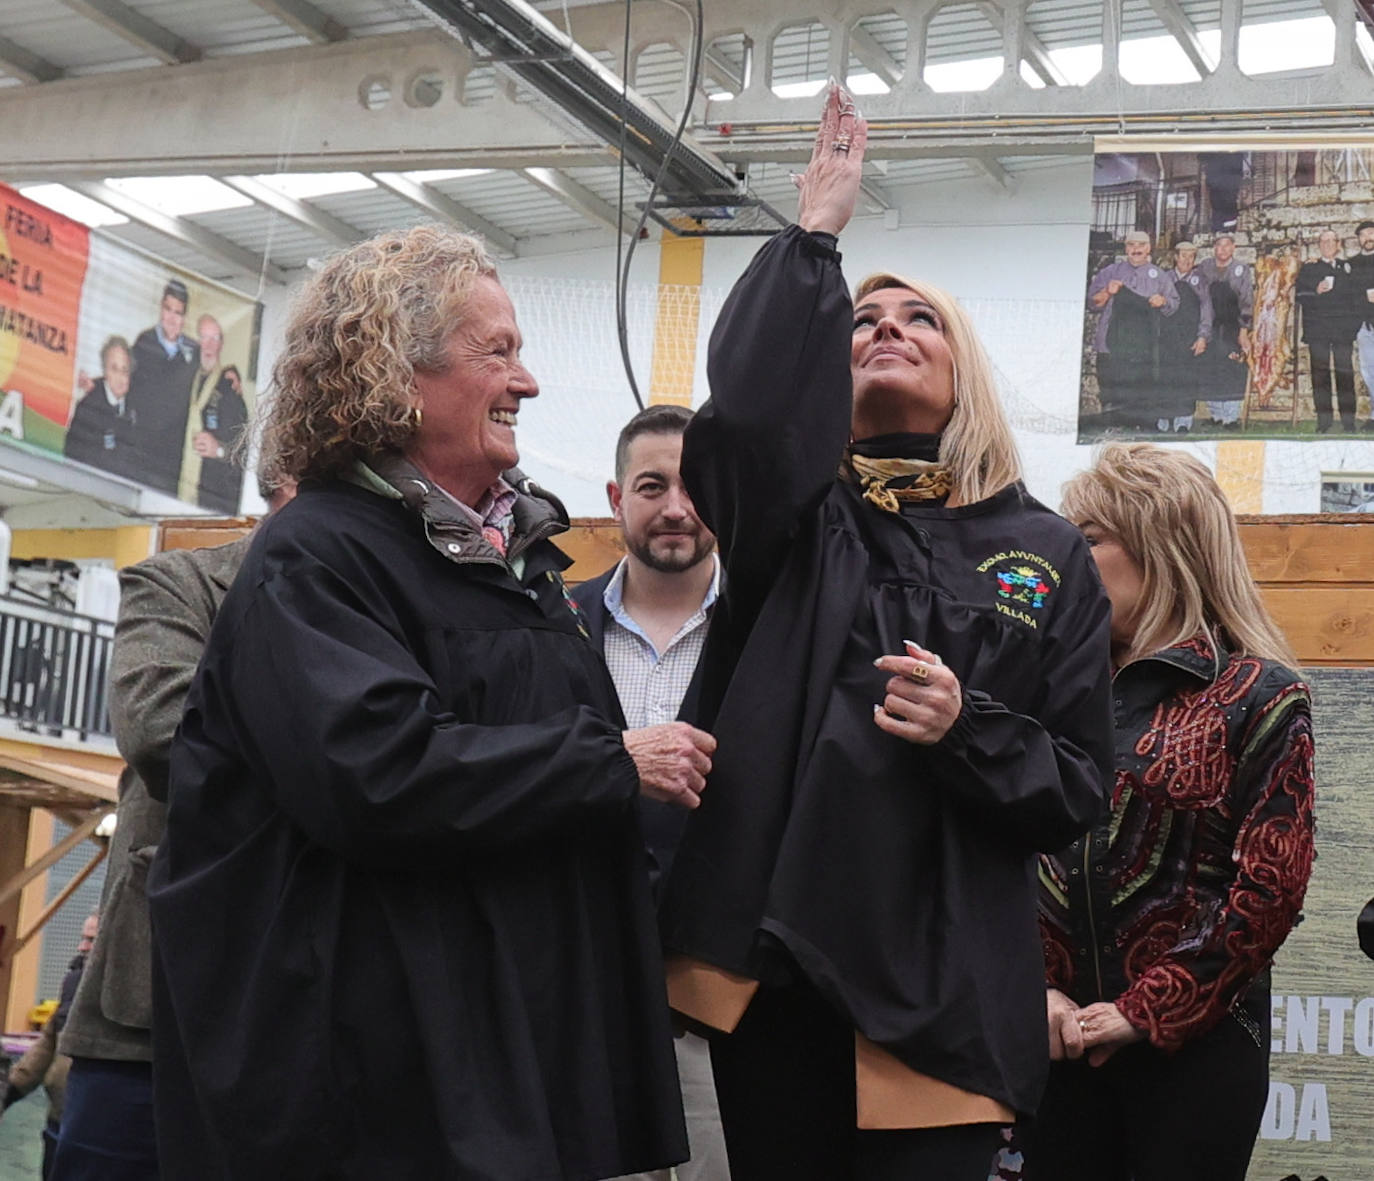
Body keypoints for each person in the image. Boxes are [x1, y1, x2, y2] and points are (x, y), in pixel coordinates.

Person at [148, 224, 705, 1180]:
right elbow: (377, 772)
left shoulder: (516, 564)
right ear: (395, 374)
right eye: (498, 352)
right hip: (380, 1093)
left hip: (505, 1071)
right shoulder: (316, 556)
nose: (526, 381)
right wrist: (609, 763)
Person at [658, 86, 1114, 1181]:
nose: (885, 330)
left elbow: (1081, 781)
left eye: (918, 320)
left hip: (947, 984)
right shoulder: (794, 520)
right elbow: (752, 419)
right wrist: (813, 238)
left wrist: (966, 728)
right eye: (862, 320)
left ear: (965, 374)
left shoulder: (1043, 552)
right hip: (782, 968)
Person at [1027, 443, 1316, 1181]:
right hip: (1053, 1037)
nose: (1065, 559)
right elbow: (994, 858)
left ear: (1160, 543)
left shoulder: (1259, 693)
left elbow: (1268, 890)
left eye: (1087, 540)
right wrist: (1036, 989)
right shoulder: (1046, 688)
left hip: (1199, 1047)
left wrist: (1146, 1010)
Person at [53, 479, 293, 1181]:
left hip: (301, 1031)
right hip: (145, 1022)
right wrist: (358, 749)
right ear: (280, 487)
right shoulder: (182, 583)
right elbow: (165, 732)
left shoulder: (383, 609)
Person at [572, 403, 730, 1181]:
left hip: (720, 1009)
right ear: (614, 498)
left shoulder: (766, 633)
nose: (674, 506)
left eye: (692, 485)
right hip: (583, 998)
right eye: (650, 485)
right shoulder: (552, 626)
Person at [4, 914, 97, 1179]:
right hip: (57, 1121)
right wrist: (11, 1090)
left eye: (91, 939)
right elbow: (47, 1043)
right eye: (83, 938)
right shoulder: (73, 982)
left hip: (91, 1124)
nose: (82, 946)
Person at [1088, 231, 1179, 431]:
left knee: (1142, 388)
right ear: (1126, 248)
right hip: (1110, 344)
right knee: (1112, 388)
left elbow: (1173, 305)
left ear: (1149, 248)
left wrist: (1162, 301)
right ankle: (1113, 427)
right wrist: (1107, 292)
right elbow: (1092, 303)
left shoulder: (1160, 276)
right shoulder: (1110, 272)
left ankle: (1142, 426)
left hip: (1143, 347)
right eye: (1131, 245)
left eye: (1141, 245)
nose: (1136, 249)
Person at [127, 279, 198, 496]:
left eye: (178, 312)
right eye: (168, 309)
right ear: (161, 308)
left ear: (184, 317)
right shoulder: (143, 343)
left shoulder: (194, 351)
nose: (171, 318)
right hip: (140, 449)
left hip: (172, 456)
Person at [1295, 230, 1361, 433]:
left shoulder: (1347, 268)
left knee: (1345, 374)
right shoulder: (1309, 269)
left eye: (1331, 240)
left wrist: (1353, 327)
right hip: (1318, 331)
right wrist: (1315, 291)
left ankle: (1348, 421)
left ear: (1338, 244)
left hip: (1342, 331)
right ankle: (1324, 421)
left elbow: (1356, 297)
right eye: (1324, 241)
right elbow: (1299, 295)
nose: (1327, 244)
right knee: (1320, 375)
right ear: (1319, 245)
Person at [188, 314, 249, 512]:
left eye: (215, 338)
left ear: (221, 344)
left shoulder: (229, 389)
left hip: (213, 499)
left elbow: (246, 450)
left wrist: (219, 450)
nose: (209, 345)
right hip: (174, 488)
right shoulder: (184, 380)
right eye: (204, 337)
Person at [1198, 235, 1253, 430]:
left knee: (1233, 368)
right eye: (1219, 245)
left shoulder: (1241, 269)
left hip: (1232, 325)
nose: (1222, 249)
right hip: (1210, 324)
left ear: (1233, 248)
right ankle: (1216, 415)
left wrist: (1244, 330)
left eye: (1226, 246)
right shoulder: (1204, 267)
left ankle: (1231, 417)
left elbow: (1247, 300)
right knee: (1212, 369)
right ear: (1214, 248)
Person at [63, 337, 138, 480]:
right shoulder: (87, 407)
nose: (120, 377)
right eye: (114, 369)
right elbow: (73, 455)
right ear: (104, 372)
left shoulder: (136, 407)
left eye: (125, 370)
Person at [1156, 242, 1211, 434]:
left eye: (1191, 257)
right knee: (1165, 377)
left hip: (1189, 338)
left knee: (1186, 378)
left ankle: (1183, 420)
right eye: (1183, 256)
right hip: (1166, 337)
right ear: (1175, 258)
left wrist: (1202, 337)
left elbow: (1206, 310)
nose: (1187, 260)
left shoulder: (1200, 281)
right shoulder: (1164, 279)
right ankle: (1164, 417)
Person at [1347, 220, 1374, 431]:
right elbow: (1347, 291)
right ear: (1358, 239)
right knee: (1368, 371)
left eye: (1371, 233)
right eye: (1363, 235)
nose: (1368, 238)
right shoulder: (1352, 263)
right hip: (1364, 326)